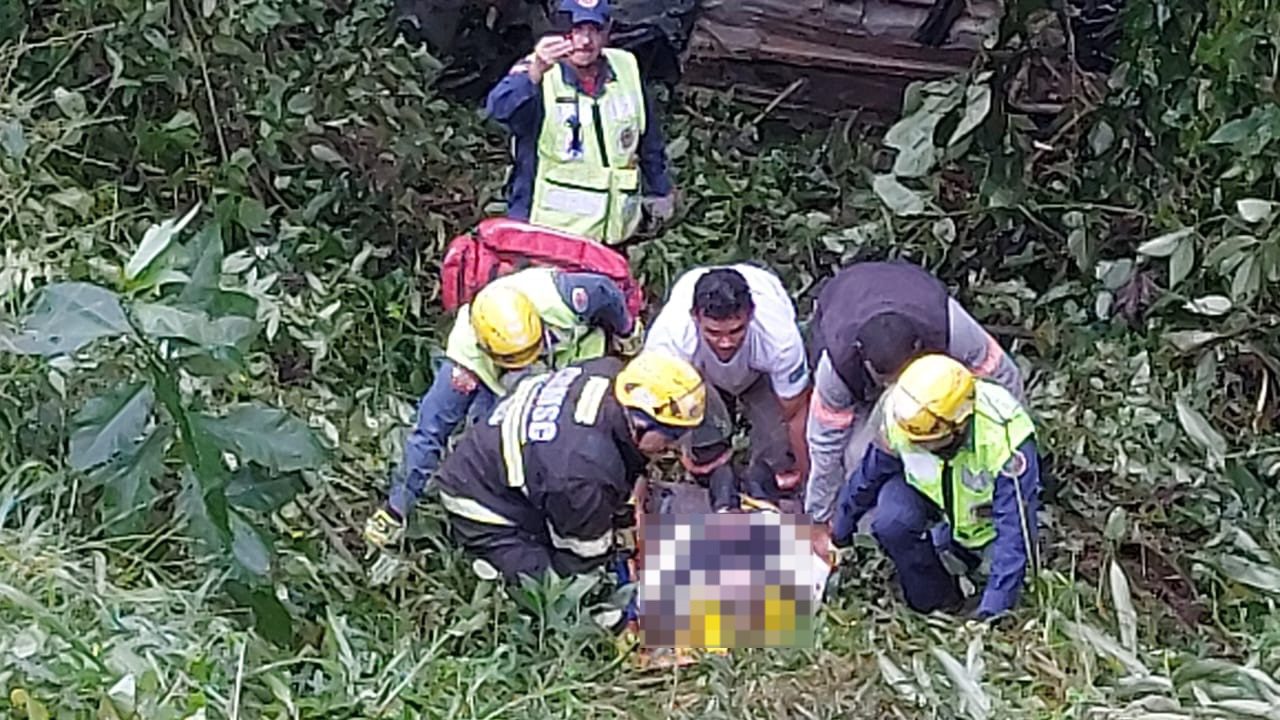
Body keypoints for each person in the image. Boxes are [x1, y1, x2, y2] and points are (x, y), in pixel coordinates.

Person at [362, 267, 641, 547]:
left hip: (583, 366)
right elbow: (430, 432)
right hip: (515, 393)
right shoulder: (464, 362)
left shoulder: (562, 297)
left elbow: (606, 293)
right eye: (517, 359)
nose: (528, 361)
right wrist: (397, 508)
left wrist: (627, 333)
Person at [433, 352, 709, 582]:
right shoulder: (582, 474)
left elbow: (625, 463)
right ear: (639, 425)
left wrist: (625, 521)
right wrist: (615, 616)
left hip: (520, 457)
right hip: (480, 498)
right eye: (671, 436)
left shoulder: (608, 372)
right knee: (555, 588)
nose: (674, 446)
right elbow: (583, 565)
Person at [804, 261, 1025, 529]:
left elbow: (1003, 376)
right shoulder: (837, 367)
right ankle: (873, 529)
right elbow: (824, 444)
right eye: (892, 380)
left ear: (919, 347)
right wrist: (820, 517)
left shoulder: (949, 328)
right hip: (843, 314)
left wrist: (1019, 450)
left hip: (919, 313)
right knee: (856, 458)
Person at [831, 354, 1041, 619]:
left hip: (989, 528)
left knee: (1004, 578)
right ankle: (936, 606)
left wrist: (991, 614)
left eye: (929, 442)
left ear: (959, 426)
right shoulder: (903, 418)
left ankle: (980, 595)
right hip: (933, 498)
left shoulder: (1006, 440)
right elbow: (870, 474)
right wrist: (840, 530)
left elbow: (1015, 532)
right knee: (892, 522)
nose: (918, 447)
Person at [483, 0, 676, 244]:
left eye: (593, 29)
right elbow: (498, 110)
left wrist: (659, 191)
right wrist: (536, 70)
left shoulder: (626, 66)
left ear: (607, 30)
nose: (585, 41)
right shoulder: (540, 70)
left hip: (614, 235)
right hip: (547, 237)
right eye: (575, 30)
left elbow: (649, 140)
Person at [643, 264, 811, 512]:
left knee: (779, 454)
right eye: (714, 332)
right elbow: (649, 417)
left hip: (760, 372)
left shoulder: (780, 340)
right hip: (695, 376)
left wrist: (808, 479)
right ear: (695, 317)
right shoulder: (669, 341)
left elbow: (796, 414)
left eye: (736, 330)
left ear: (751, 315)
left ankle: (762, 484)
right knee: (703, 453)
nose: (725, 342)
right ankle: (718, 482)